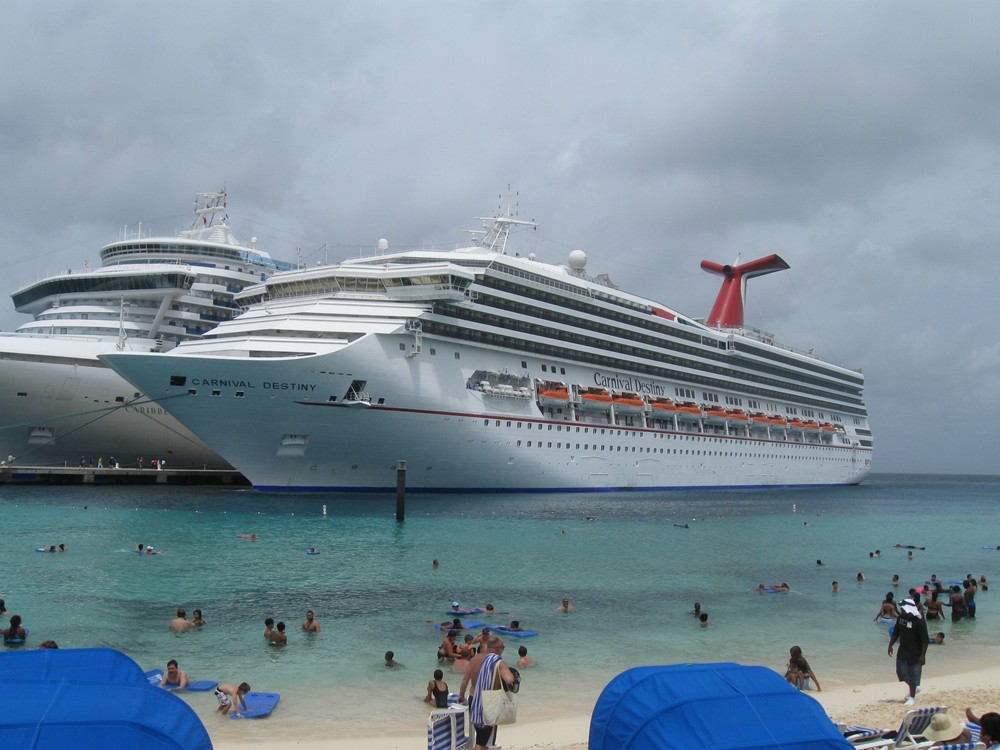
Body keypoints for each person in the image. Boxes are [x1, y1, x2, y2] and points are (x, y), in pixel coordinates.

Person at [459, 635, 517, 750]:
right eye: (503, 647)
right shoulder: (498, 662)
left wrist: (461, 695)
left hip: (473, 699)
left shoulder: (474, 659)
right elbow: (509, 680)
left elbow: (466, 678)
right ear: (498, 648)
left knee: (482, 738)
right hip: (488, 703)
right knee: (482, 741)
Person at [888, 597, 929, 705]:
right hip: (903, 649)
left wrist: (922, 655)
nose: (901, 610)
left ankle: (912, 697)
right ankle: (914, 687)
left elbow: (925, 640)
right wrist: (890, 644)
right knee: (900, 672)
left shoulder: (919, 621)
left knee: (912, 674)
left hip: (915, 651)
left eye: (903, 608)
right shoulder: (901, 618)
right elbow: (896, 632)